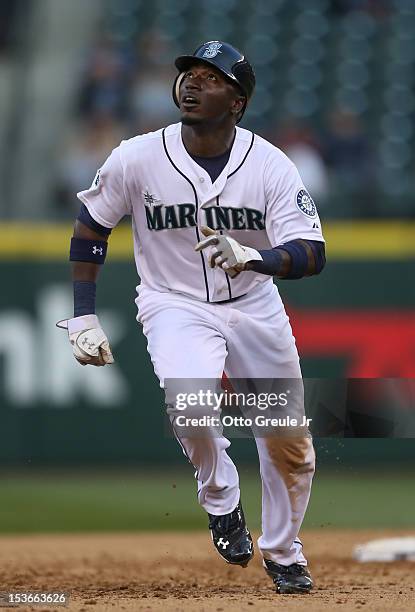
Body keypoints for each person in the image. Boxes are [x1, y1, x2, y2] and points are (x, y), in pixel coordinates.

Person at [59, 41, 326, 595]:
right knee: (190, 401)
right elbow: (90, 228)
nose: (192, 83)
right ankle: (222, 500)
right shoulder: (137, 156)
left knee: (289, 443)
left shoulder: (271, 165)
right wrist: (83, 315)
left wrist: (258, 257)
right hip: (173, 302)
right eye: (189, 74)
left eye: (211, 77)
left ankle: (284, 553)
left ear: (238, 101)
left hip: (255, 304)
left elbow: (312, 251)